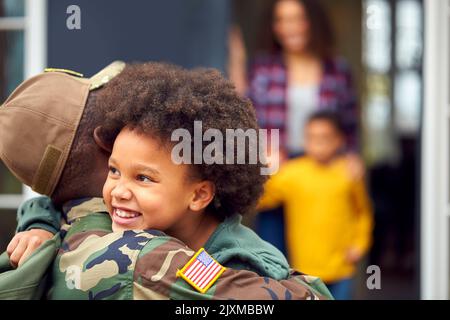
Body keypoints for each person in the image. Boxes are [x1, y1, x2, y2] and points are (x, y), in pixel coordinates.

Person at [0, 61, 332, 300]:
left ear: (199, 194)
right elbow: (45, 203)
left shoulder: (236, 259)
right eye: (114, 170)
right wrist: (38, 224)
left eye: (143, 178)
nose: (118, 191)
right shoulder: (132, 211)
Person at [228, 0, 363, 257]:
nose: (289, 27)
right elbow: (245, 112)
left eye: (297, 18)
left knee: (320, 254)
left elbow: (349, 122)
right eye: (281, 20)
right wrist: (261, 148)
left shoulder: (336, 69)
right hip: (279, 167)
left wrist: (353, 156)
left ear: (312, 21)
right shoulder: (264, 67)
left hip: (323, 169)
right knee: (273, 251)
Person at [258, 111, 374, 300]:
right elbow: (262, 199)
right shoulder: (292, 173)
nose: (318, 143)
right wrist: (268, 167)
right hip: (305, 271)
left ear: (339, 140)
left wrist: (360, 244)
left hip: (342, 267)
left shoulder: (349, 172)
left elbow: (362, 211)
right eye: (311, 137)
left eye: (324, 137)